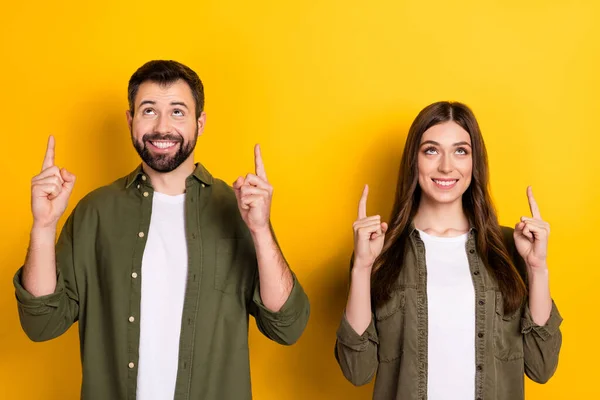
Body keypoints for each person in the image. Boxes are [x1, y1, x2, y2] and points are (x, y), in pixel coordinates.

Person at [14, 60, 310, 400]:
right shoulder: (95, 212)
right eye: (149, 110)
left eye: (178, 112)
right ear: (131, 120)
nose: (162, 127)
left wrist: (260, 230)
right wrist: (44, 225)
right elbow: (41, 324)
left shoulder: (238, 210)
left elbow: (287, 326)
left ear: (200, 123)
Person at [335, 101, 562, 400]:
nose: (446, 166)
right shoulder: (380, 252)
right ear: (414, 161)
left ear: (473, 162)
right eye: (431, 150)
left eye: (460, 151)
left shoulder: (510, 248)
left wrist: (537, 268)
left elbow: (542, 366)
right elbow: (357, 370)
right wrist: (362, 268)